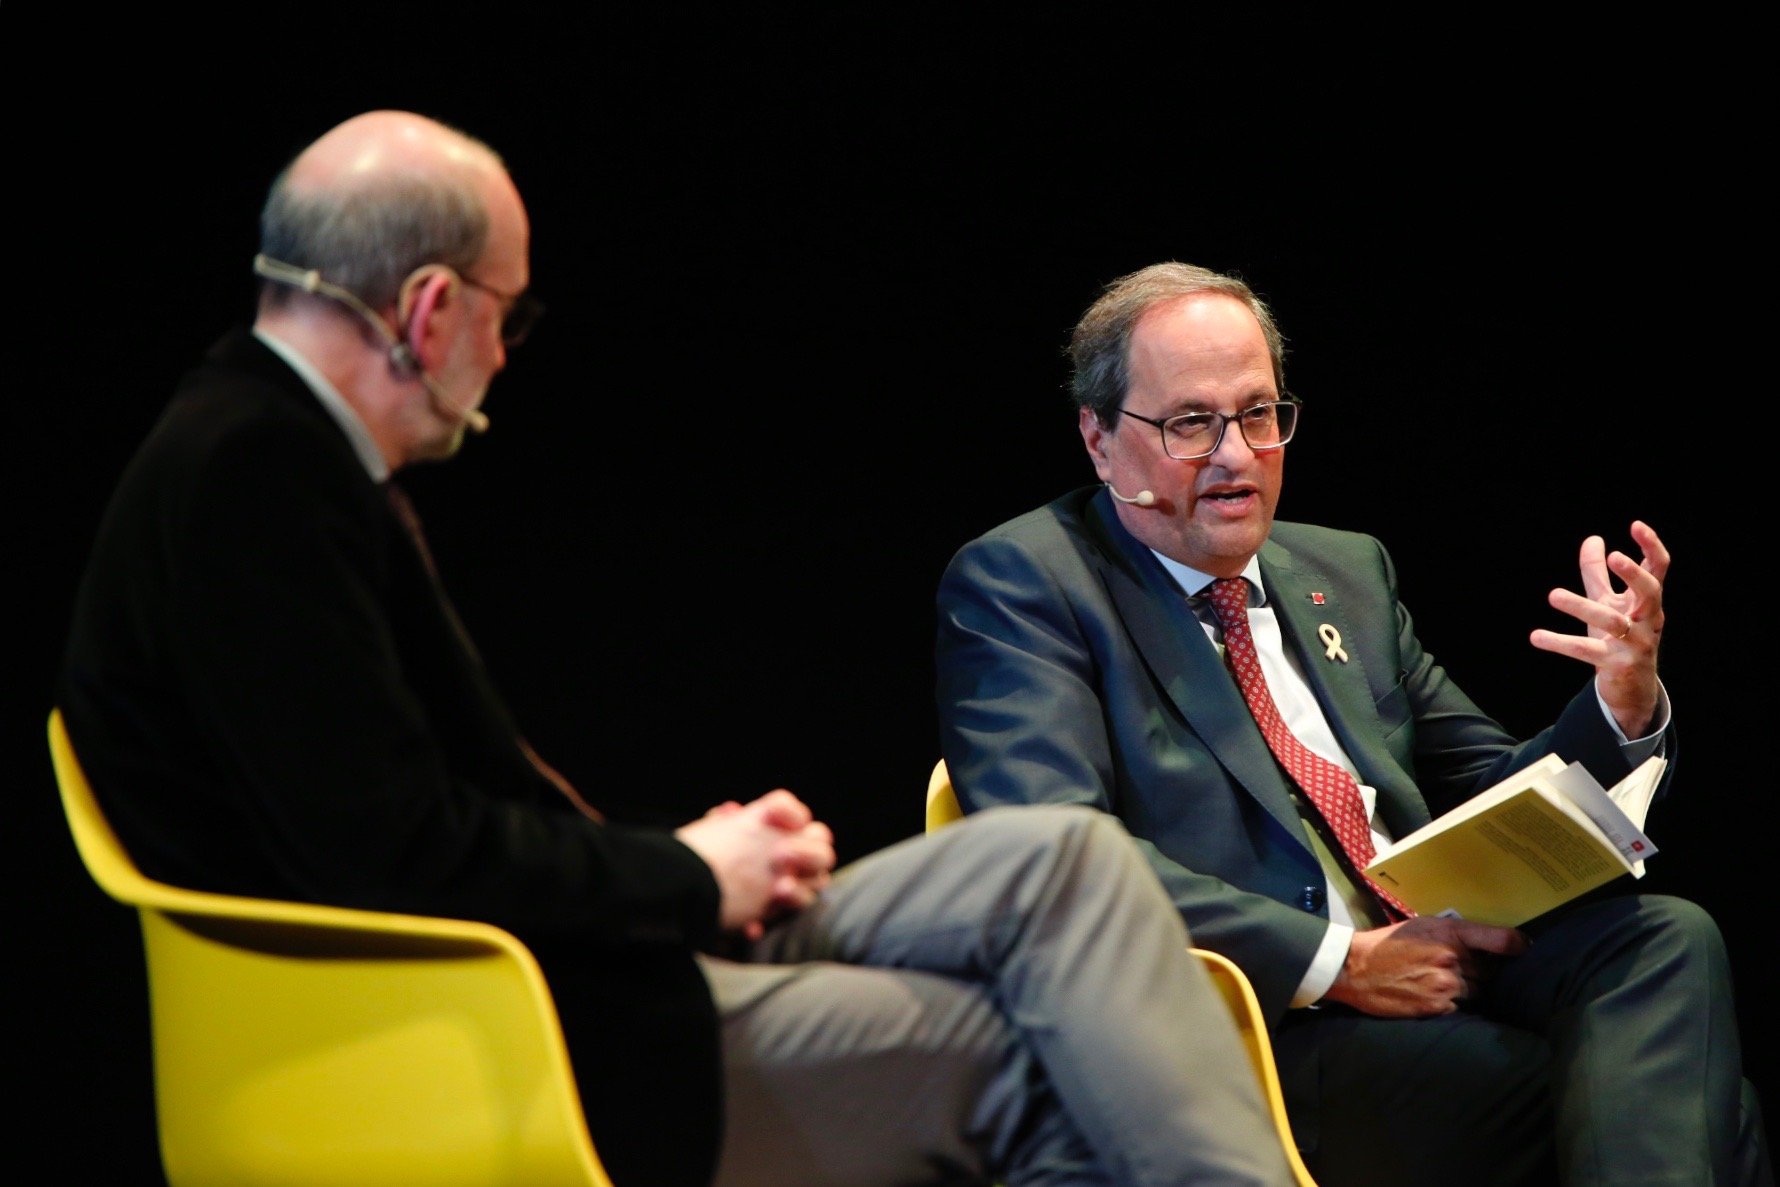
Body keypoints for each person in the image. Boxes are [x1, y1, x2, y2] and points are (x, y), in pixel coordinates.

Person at [54, 116, 1298, 1187]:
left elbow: (430, 809)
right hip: (495, 1023)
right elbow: (395, 849)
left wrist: (692, 862)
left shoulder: (270, 452)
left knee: (1059, 861)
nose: (504, 351)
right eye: (510, 312)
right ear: (431, 310)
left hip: (590, 943)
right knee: (1060, 1062)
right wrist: (688, 879)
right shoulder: (254, 480)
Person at [934, 260, 1771, 1187]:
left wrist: (1619, 704)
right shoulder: (1027, 583)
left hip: (1444, 956)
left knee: (1667, 938)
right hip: (1262, 1026)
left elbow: (1494, 789)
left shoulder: (1344, 571)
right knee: (1701, 1111)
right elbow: (1054, 851)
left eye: (1258, 414)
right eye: (1189, 423)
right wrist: (1340, 962)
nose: (1236, 454)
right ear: (1098, 437)